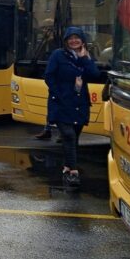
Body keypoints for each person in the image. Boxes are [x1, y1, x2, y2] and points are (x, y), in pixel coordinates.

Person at [44, 26, 99, 188]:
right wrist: (59, 94)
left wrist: (84, 59)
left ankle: (67, 166)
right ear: (66, 41)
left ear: (82, 40)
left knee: (74, 137)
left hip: (79, 103)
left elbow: (95, 75)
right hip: (62, 103)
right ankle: (73, 172)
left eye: (77, 38)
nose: (74, 41)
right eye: (71, 38)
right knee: (68, 135)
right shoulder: (58, 55)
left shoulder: (86, 56)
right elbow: (49, 76)